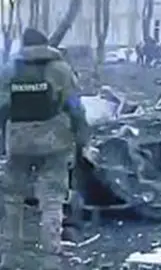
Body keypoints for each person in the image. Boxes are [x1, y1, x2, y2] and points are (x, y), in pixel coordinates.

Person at [0, 28, 91, 270]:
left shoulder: (10, 69)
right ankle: (51, 250)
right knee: (52, 198)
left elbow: (1, 107)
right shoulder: (60, 69)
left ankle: (10, 252)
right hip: (55, 143)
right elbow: (75, 107)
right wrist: (82, 139)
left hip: (18, 144)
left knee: (12, 197)